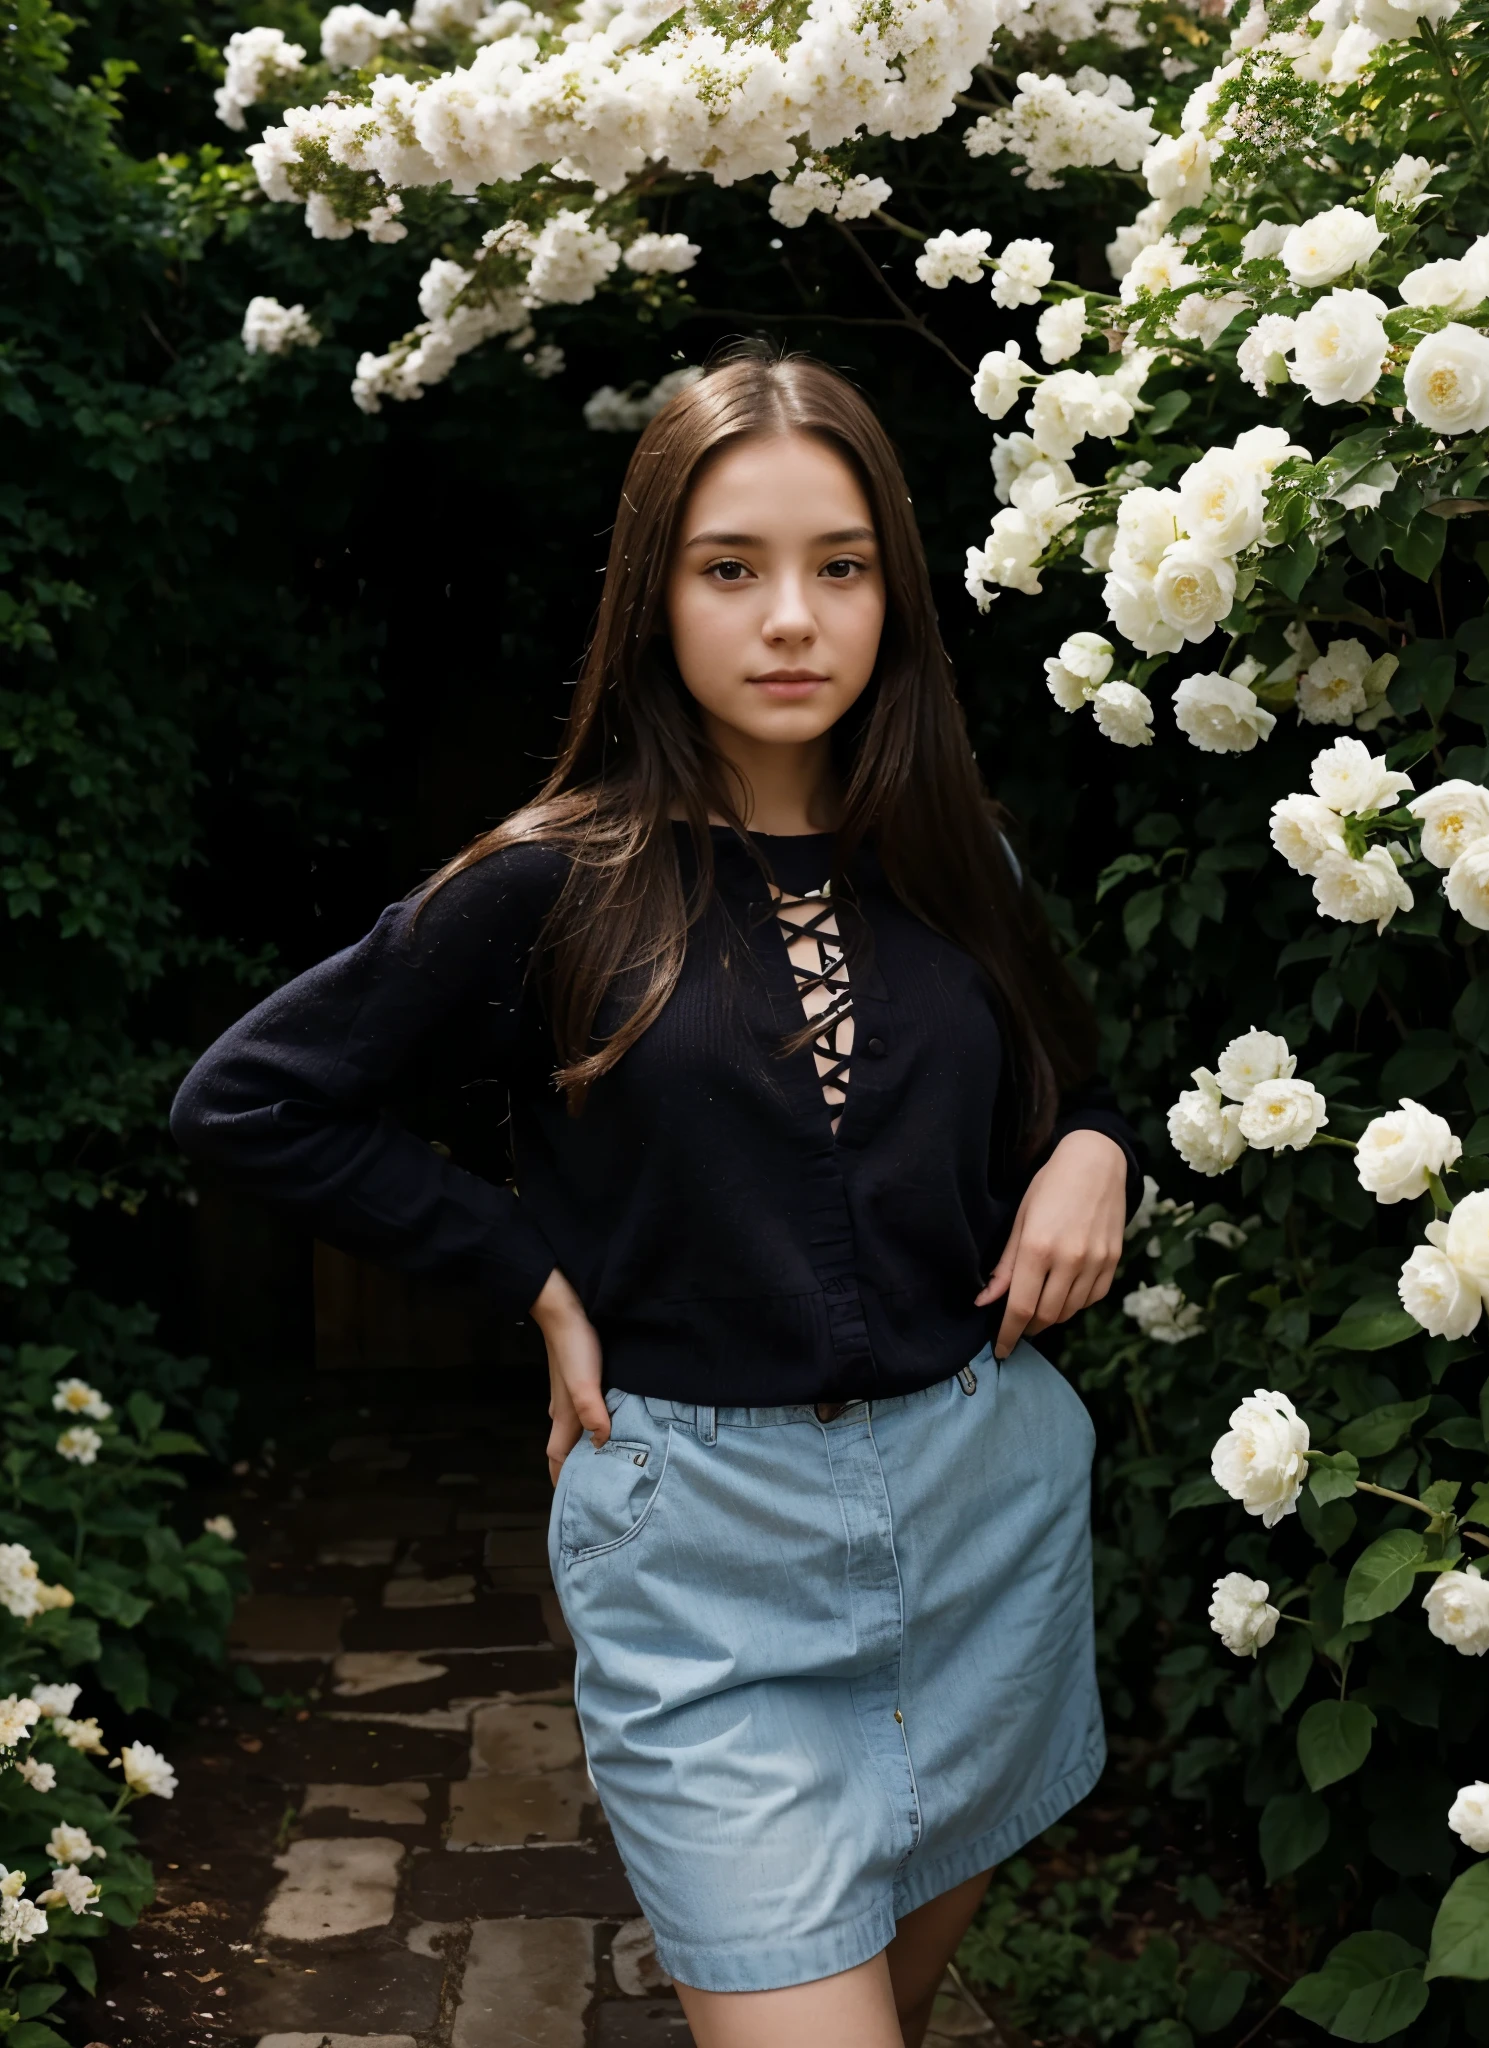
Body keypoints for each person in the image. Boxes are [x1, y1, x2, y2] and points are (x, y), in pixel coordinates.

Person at [171, 347, 1142, 2048]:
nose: (791, 619)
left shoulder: (954, 858)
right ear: (653, 595)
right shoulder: (557, 877)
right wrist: (531, 1277)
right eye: (731, 569)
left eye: (839, 568)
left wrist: (1094, 1148)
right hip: (705, 1565)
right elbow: (250, 1100)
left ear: (894, 596)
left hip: (985, 1516)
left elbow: (1080, 1080)